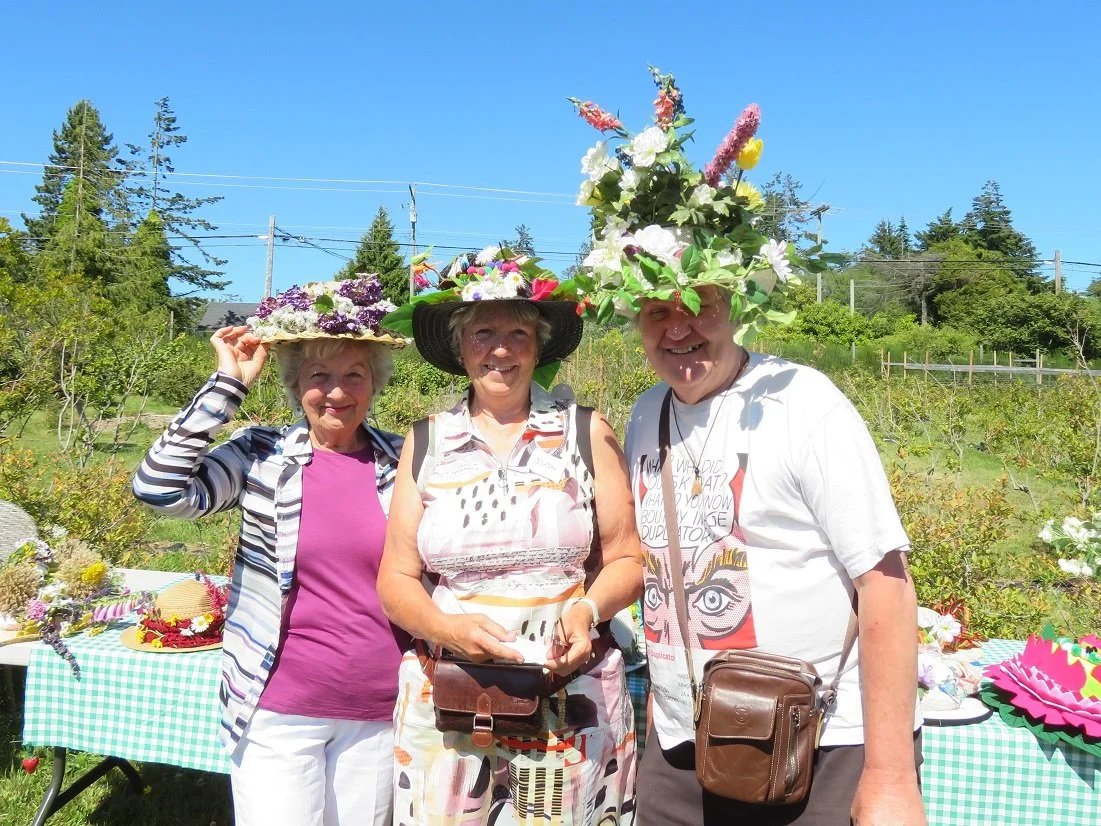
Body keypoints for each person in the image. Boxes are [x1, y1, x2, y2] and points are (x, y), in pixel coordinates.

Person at [568, 69, 926, 825]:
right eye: (655, 309)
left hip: (815, 742)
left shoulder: (801, 403)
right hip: (682, 743)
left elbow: (885, 585)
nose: (677, 326)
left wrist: (891, 779)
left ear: (736, 304)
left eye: (699, 303)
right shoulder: (645, 415)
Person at [377, 246, 643, 825]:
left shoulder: (584, 431)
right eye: (483, 333)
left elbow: (627, 559)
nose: (501, 349)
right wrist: (446, 628)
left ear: (540, 345)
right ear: (458, 345)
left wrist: (588, 611)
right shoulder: (425, 443)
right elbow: (395, 580)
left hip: (569, 696)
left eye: (518, 333)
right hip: (447, 697)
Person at [132, 275, 409, 826]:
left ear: (374, 384)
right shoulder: (261, 453)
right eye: (319, 375)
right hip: (279, 703)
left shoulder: (403, 463)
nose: (337, 390)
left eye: (354, 374)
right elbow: (158, 489)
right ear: (293, 383)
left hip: (381, 706)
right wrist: (226, 386)